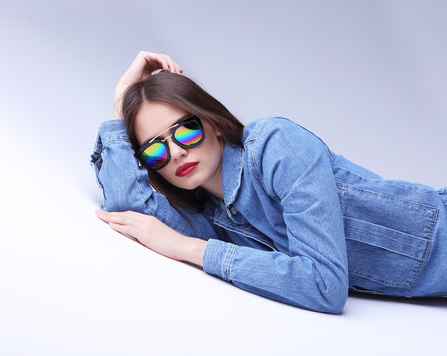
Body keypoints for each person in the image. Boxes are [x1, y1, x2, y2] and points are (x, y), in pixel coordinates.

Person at [91, 51, 447, 313]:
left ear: (213, 122)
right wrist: (121, 104)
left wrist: (189, 249)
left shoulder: (274, 145)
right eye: (155, 151)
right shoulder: (215, 218)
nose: (177, 153)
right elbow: (125, 210)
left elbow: (325, 286)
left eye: (185, 131)